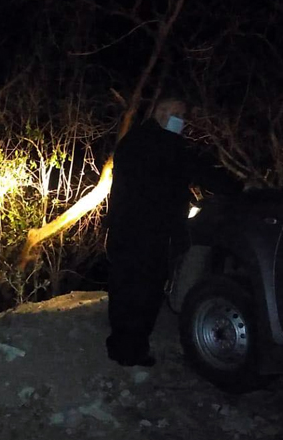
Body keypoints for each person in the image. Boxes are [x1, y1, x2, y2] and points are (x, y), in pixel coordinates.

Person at [106, 96, 242, 367]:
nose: (182, 120)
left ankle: (121, 345)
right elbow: (204, 172)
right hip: (151, 233)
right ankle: (132, 350)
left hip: (124, 228)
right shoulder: (168, 145)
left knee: (124, 287)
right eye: (178, 113)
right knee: (145, 290)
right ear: (162, 112)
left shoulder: (132, 141)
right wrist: (240, 188)